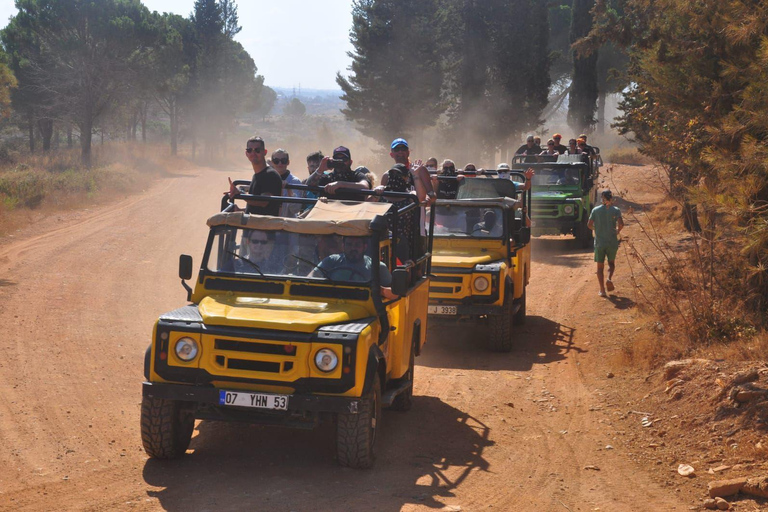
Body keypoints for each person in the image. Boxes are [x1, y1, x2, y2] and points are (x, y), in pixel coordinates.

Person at [226, 136, 283, 216]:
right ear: (246, 153)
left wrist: (241, 194)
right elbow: (255, 206)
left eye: (257, 150)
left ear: (265, 152)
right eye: (249, 150)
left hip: (263, 226)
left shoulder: (270, 175)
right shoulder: (257, 175)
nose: (253, 153)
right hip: (254, 224)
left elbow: (263, 202)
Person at [587, 189, 625, 297]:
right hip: (612, 241)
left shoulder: (595, 210)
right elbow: (621, 224)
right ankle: (609, 278)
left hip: (599, 242)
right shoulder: (616, 210)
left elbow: (589, 225)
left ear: (602, 198)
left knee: (600, 267)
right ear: (611, 198)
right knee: (611, 264)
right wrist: (617, 231)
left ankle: (602, 290)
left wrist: (596, 228)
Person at [313, 236, 392, 286]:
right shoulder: (331, 261)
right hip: (332, 305)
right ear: (343, 246)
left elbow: (394, 294)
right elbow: (310, 279)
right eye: (349, 244)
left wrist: (377, 290)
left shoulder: (377, 267)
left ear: (365, 247)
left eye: (357, 245)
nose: (353, 248)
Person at [305, 146, 371, 199]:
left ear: (350, 162)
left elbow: (365, 187)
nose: (340, 162)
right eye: (336, 159)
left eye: (344, 159)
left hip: (353, 213)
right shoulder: (327, 178)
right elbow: (309, 186)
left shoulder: (356, 175)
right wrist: (320, 169)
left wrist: (340, 184)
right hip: (330, 214)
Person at [388, 138, 435, 204]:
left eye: (403, 149)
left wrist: (428, 196)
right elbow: (383, 196)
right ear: (391, 154)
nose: (400, 151)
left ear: (408, 152)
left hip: (417, 211)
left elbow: (432, 194)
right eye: (396, 149)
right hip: (397, 211)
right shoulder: (388, 174)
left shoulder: (420, 170)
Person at [271, 149, 302, 217]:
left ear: (288, 162)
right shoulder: (267, 180)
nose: (280, 164)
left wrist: (289, 190)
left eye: (283, 161)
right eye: (276, 161)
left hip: (288, 223)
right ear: (272, 162)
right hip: (269, 223)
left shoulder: (295, 182)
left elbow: (295, 209)